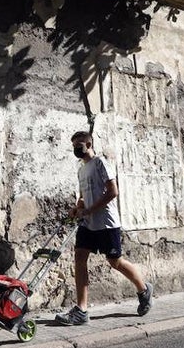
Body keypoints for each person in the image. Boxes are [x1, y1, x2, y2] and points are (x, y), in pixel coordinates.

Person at [55, 130, 153, 326]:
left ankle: (143, 289)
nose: (76, 148)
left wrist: (89, 210)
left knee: (115, 262)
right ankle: (81, 310)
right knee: (80, 258)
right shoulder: (81, 170)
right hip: (88, 224)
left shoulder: (100, 163)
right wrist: (77, 208)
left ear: (89, 144)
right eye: (73, 145)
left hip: (106, 222)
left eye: (79, 145)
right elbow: (83, 197)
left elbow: (113, 191)